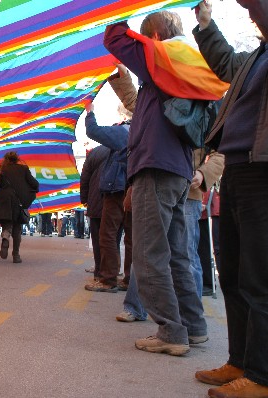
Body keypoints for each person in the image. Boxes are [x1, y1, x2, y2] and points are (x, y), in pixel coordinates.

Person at [104, 9, 227, 355]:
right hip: (177, 170)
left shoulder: (165, 58)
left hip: (155, 168)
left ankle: (171, 332)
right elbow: (140, 104)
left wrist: (117, 11)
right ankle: (194, 327)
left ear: (154, 38)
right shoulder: (189, 67)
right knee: (175, 256)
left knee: (148, 254)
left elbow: (113, 38)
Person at [191, 1, 268, 396]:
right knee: (235, 276)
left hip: (262, 171)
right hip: (237, 168)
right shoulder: (255, 57)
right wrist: (205, 25)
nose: (254, 17)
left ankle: (261, 376)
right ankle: (238, 362)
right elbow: (224, 62)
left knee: (260, 278)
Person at [83, 101, 129, 293]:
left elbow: (93, 131)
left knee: (107, 235)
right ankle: (129, 280)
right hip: (135, 188)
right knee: (132, 239)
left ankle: (108, 278)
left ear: (123, 116)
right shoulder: (146, 130)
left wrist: (90, 113)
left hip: (117, 190)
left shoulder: (123, 131)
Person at [185, 149, 224, 298]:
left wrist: (203, 174)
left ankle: (192, 310)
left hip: (196, 195)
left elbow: (219, 157)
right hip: (203, 202)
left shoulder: (205, 130)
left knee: (192, 252)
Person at [0, 151, 39, 263]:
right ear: (16, 159)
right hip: (19, 201)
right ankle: (16, 255)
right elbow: (34, 183)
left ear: (5, 159)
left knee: (7, 223)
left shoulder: (1, 169)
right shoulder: (24, 169)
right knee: (17, 228)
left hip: (4, 200)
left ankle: (5, 237)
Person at [80, 145, 111, 278]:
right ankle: (113, 270)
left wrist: (85, 199)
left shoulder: (95, 152)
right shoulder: (126, 146)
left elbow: (85, 178)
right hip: (118, 199)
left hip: (96, 200)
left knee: (98, 239)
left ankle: (100, 270)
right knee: (113, 237)